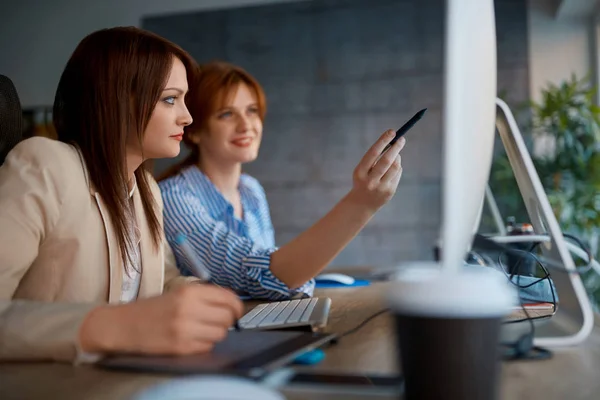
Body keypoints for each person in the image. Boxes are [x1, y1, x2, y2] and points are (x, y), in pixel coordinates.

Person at [0, 28, 243, 363]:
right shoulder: (45, 165)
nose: (187, 116)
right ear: (116, 98)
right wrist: (111, 327)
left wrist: (193, 296)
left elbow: (162, 280)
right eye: (170, 99)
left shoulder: (147, 192)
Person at [159, 61, 406, 300]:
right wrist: (361, 203)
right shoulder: (174, 197)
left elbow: (277, 277)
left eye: (252, 110)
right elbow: (266, 276)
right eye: (226, 114)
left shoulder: (251, 190)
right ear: (194, 130)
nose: (246, 125)